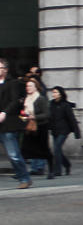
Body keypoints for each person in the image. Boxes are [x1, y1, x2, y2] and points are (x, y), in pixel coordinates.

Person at [0, 58, 32, 189]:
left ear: (5, 70)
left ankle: (24, 178)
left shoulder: (12, 83)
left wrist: (4, 113)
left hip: (8, 124)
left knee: (13, 154)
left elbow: (14, 101)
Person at [20, 78, 55, 179]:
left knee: (44, 150)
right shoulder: (26, 99)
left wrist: (34, 117)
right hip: (29, 128)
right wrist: (23, 117)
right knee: (24, 150)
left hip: (40, 127)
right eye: (27, 86)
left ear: (36, 87)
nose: (28, 88)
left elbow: (47, 114)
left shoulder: (41, 99)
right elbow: (23, 113)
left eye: (30, 86)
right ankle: (21, 172)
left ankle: (51, 171)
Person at [49, 86, 81, 176]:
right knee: (57, 149)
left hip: (64, 130)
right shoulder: (51, 104)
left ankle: (57, 170)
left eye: (55, 92)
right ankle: (67, 164)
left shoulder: (65, 105)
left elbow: (72, 119)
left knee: (57, 148)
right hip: (55, 129)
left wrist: (76, 132)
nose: (54, 94)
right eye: (53, 92)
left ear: (60, 94)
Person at [25, 66, 48, 175]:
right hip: (31, 123)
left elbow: (46, 113)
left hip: (41, 124)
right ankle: (34, 167)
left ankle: (39, 167)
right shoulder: (28, 96)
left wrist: (35, 116)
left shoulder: (41, 96)